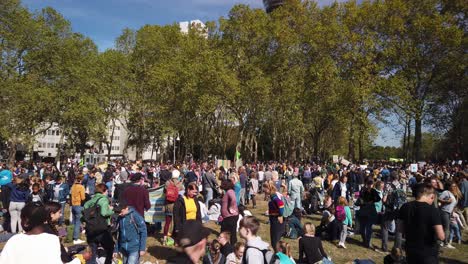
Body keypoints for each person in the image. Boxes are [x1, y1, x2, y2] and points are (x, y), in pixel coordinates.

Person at [0, 202, 80, 264]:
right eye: (59, 212)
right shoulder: (51, 240)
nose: (61, 214)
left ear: (25, 221)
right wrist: (79, 260)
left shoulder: (14, 240)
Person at [398, 183, 445, 264]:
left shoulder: (405, 206)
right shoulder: (433, 210)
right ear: (432, 196)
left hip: (410, 249)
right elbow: (441, 236)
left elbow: (399, 229)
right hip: (428, 251)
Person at [84, 183, 115, 264]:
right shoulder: (104, 200)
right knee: (110, 248)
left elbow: (83, 216)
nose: (108, 192)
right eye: (107, 190)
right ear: (104, 191)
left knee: (92, 251)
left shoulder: (89, 201)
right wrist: (111, 210)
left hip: (90, 229)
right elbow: (104, 213)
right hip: (102, 228)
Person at [356, 179, 381, 249]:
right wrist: (362, 201)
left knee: (368, 227)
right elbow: (360, 198)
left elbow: (378, 199)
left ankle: (368, 242)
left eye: (371, 184)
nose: (370, 186)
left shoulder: (373, 191)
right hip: (364, 208)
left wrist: (372, 201)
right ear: (367, 184)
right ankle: (365, 240)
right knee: (362, 226)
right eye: (369, 184)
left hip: (370, 209)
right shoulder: (363, 190)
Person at [163, 169, 184, 245]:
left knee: (167, 223)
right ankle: (176, 241)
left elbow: (165, 192)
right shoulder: (180, 184)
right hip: (177, 205)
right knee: (176, 223)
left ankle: (164, 239)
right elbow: (181, 194)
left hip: (168, 204)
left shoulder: (168, 182)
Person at [263, 180, 285, 250]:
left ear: (269, 188)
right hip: (273, 219)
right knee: (274, 239)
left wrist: (280, 215)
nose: (264, 190)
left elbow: (281, 204)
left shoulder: (274, 197)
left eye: (265, 188)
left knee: (275, 240)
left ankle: (278, 254)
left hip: (276, 220)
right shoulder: (272, 196)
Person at [220, 179, 240, 245]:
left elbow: (234, 200)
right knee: (230, 233)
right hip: (228, 216)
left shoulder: (230, 191)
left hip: (230, 217)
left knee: (229, 233)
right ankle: (230, 246)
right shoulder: (228, 192)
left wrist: (231, 208)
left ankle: (230, 247)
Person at [70, 174, 86, 245]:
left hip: (73, 205)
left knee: (73, 221)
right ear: (82, 180)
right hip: (78, 205)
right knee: (78, 222)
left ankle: (71, 235)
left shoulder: (73, 186)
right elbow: (83, 198)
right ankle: (76, 238)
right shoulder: (81, 187)